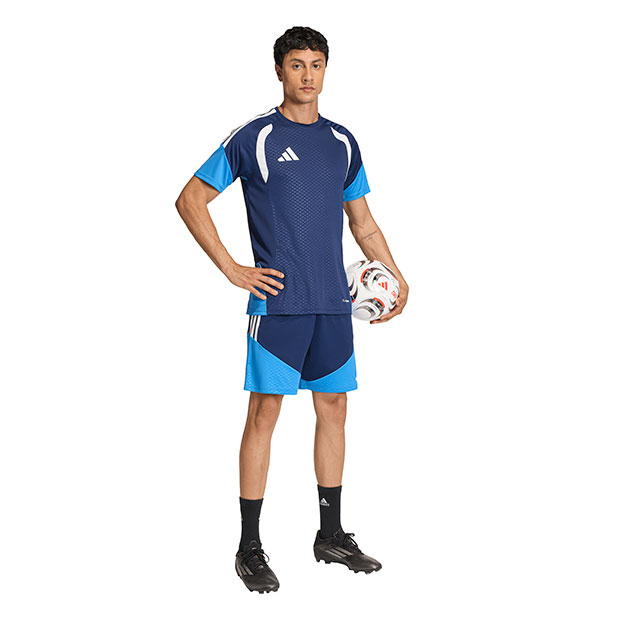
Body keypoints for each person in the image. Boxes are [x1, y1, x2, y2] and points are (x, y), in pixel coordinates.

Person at [175, 26, 409, 593]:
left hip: (333, 304)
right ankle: (249, 547)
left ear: (327, 70)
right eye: (297, 64)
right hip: (278, 306)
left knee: (335, 409)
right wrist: (233, 269)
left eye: (317, 64)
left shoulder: (343, 142)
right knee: (264, 414)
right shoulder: (253, 137)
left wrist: (397, 275)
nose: (308, 74)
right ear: (279, 70)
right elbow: (190, 199)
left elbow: (363, 223)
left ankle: (330, 534)